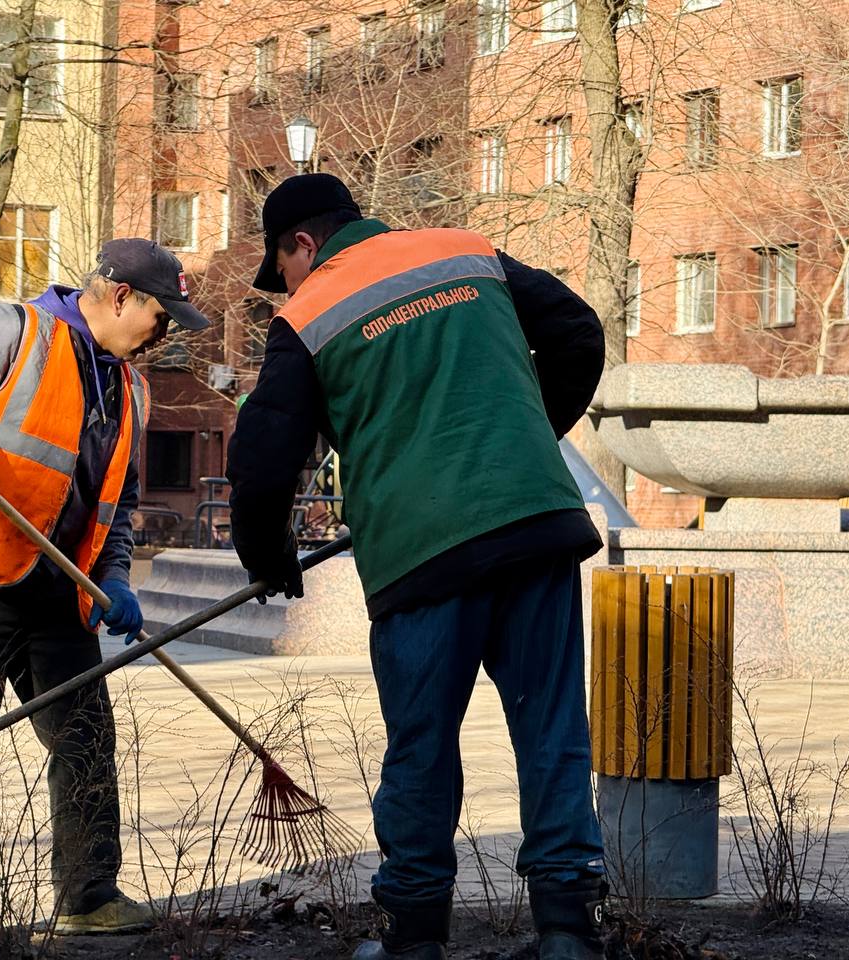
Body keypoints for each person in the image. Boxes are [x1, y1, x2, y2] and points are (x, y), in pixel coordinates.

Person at [225, 174, 607, 960]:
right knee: (553, 729)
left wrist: (269, 557)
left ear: (302, 243)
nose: (286, 286)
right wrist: (522, 439)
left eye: (282, 267)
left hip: (422, 554)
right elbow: (577, 332)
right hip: (534, 526)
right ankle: (569, 931)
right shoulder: (465, 251)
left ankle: (415, 937)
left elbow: (264, 455)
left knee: (422, 745)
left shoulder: (308, 311)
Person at [0, 238, 209, 944]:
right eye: (161, 317)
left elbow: (116, 504)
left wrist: (115, 578)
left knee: (85, 735)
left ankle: (87, 895)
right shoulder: (18, 330)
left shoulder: (132, 389)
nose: (163, 335)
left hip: (60, 586)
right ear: (120, 296)